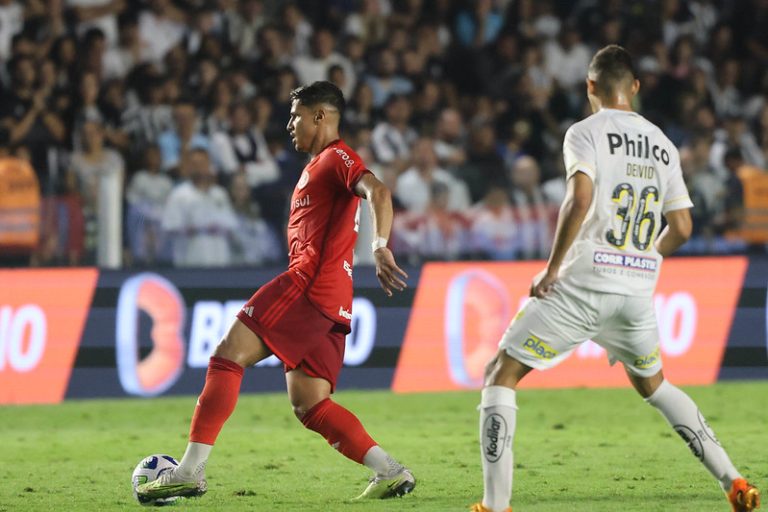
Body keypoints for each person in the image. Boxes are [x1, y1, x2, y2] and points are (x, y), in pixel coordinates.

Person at [470, 45, 760, 512]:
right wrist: (645, 254)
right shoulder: (663, 143)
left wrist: (551, 267)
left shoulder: (585, 132)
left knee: (500, 375)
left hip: (583, 284)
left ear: (590, 87)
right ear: (636, 87)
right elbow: (683, 226)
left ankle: (495, 505)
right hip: (636, 293)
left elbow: (579, 199)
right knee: (657, 386)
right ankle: (734, 480)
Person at [137, 81, 415, 503]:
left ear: (321, 116)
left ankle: (190, 471)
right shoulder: (319, 164)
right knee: (310, 403)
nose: (289, 125)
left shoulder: (337, 157)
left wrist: (379, 247)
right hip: (334, 301)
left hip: (307, 286)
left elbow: (378, 190)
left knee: (226, 357)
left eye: (296, 115)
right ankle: (390, 471)